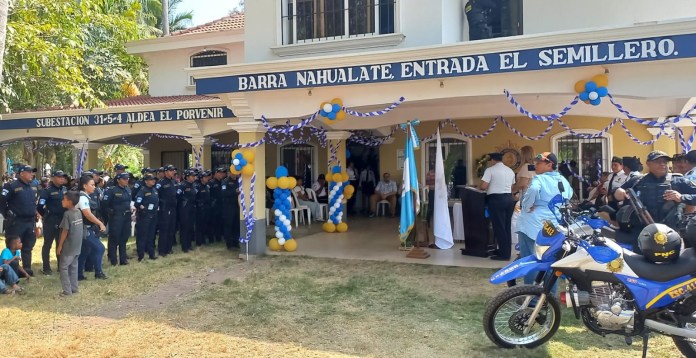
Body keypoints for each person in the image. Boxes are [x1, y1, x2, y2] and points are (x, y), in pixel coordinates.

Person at [614, 151, 696, 248]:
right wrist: (619, 192)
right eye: (658, 161)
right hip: (642, 232)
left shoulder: (678, 180)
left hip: (671, 232)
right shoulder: (638, 180)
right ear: (648, 164)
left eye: (665, 162)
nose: (662, 164)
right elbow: (616, 192)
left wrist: (681, 197)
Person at [516, 152, 573, 284]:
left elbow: (534, 189)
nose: (536, 165)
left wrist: (526, 206)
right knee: (549, 261)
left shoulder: (539, 179)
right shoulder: (562, 180)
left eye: (539, 163)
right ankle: (548, 296)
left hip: (532, 223)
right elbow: (568, 196)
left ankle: (531, 296)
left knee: (531, 260)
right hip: (552, 225)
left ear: (549, 165)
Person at [0, 164, 39, 276]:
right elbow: (2, 201)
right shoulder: (11, 185)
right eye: (29, 172)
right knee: (13, 246)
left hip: (30, 221)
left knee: (27, 246)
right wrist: (7, 214)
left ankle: (26, 269)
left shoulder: (34, 185)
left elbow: (34, 202)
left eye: (32, 172)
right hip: (16, 222)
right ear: (21, 173)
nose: (32, 174)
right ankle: (11, 271)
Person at [480, 153, 516, 261]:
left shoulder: (490, 170)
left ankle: (503, 255)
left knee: (499, 226)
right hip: (509, 199)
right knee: (506, 226)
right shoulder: (510, 170)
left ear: (492, 160)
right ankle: (506, 251)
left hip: (496, 199)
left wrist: (480, 186)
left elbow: (483, 186)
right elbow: (512, 186)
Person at [76, 175, 108, 280]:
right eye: (92, 185)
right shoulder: (82, 197)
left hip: (87, 228)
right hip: (84, 229)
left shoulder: (86, 196)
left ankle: (79, 275)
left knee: (85, 251)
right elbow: (87, 214)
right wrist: (100, 223)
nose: (94, 187)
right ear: (85, 186)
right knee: (100, 248)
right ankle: (98, 272)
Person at [37, 170, 68, 275]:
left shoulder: (64, 189)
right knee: (48, 244)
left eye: (63, 177)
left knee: (61, 243)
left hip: (62, 220)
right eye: (59, 177)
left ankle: (61, 266)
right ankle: (46, 268)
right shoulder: (47, 191)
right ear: (53, 178)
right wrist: (46, 215)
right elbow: (40, 206)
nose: (62, 179)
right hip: (50, 220)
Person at [56, 191, 83, 297]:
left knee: (63, 267)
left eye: (64, 199)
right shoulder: (78, 212)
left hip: (69, 247)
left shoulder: (67, 214)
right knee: (74, 267)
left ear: (70, 202)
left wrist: (60, 245)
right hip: (77, 245)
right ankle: (74, 288)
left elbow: (65, 231)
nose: (62, 201)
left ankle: (67, 291)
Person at [102, 172, 132, 265]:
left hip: (126, 216)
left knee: (124, 237)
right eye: (124, 179)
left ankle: (123, 259)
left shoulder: (128, 189)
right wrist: (110, 212)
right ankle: (113, 259)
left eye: (127, 179)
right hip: (116, 217)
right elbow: (104, 204)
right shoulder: (112, 190)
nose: (127, 180)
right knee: (114, 238)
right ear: (118, 180)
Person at [134, 173, 159, 261]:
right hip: (144, 216)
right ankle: (141, 256)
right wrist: (144, 209)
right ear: (146, 181)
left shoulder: (155, 190)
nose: (153, 181)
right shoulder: (143, 190)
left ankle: (151, 254)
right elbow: (137, 203)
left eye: (154, 179)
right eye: (151, 180)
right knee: (142, 236)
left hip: (154, 215)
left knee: (151, 236)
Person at [156, 165, 178, 256]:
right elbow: (156, 195)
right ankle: (162, 250)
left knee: (171, 229)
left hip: (173, 208)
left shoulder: (173, 181)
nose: (173, 172)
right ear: (166, 172)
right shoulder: (161, 183)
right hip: (164, 209)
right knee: (164, 229)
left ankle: (169, 248)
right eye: (171, 170)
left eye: (173, 170)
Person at [177, 169, 197, 253]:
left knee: (190, 227)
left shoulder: (193, 185)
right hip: (184, 208)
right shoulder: (182, 185)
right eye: (192, 176)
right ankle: (185, 246)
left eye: (194, 176)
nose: (194, 177)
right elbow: (177, 195)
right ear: (187, 177)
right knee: (185, 227)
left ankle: (189, 245)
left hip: (192, 207)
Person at [220, 170, 240, 250]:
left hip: (237, 205)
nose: (235, 174)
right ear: (229, 173)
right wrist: (234, 192)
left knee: (236, 225)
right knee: (229, 225)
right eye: (233, 173)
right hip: (228, 206)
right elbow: (224, 193)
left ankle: (236, 242)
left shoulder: (239, 181)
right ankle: (229, 244)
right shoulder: (225, 181)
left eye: (236, 172)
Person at [195, 170, 212, 247]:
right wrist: (199, 203)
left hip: (207, 207)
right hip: (200, 209)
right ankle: (199, 241)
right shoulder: (197, 187)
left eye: (207, 177)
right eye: (205, 177)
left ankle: (204, 240)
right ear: (201, 178)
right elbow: (195, 198)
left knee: (205, 224)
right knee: (199, 225)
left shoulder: (207, 186)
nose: (206, 178)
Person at [209, 168, 227, 243]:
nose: (221, 174)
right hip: (214, 205)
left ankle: (220, 236)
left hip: (222, 204)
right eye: (219, 173)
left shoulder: (223, 182)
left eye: (222, 173)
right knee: (214, 222)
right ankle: (213, 237)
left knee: (221, 221)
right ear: (215, 173)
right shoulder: (211, 183)